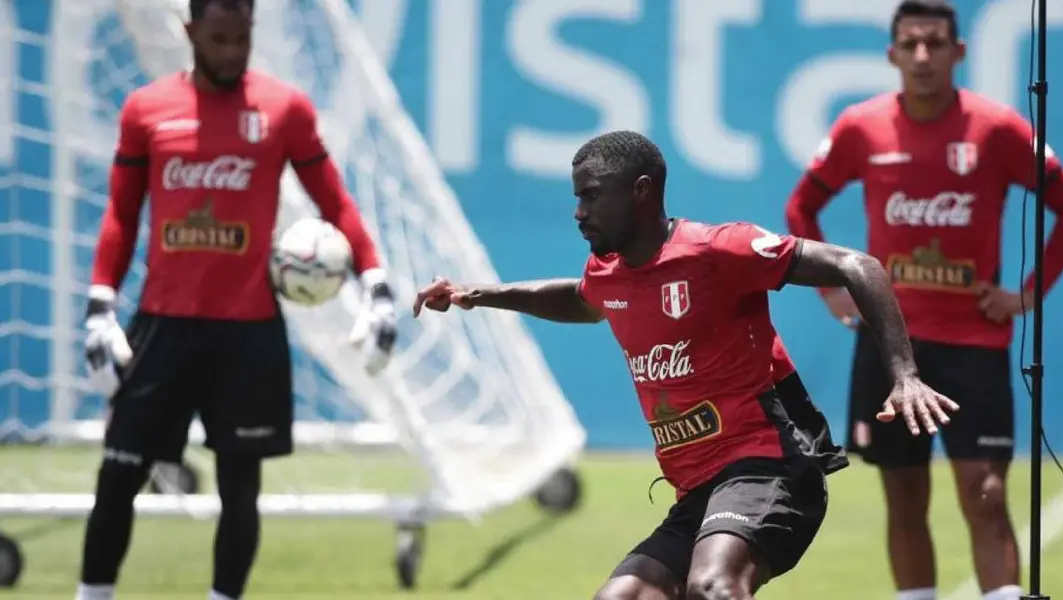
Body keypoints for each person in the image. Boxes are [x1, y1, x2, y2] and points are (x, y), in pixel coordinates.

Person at [414, 130, 959, 600]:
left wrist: (904, 375)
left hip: (770, 465)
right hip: (699, 489)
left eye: (591, 197)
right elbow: (580, 300)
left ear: (642, 192)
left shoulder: (720, 250)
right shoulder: (609, 273)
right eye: (577, 198)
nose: (578, 212)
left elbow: (855, 265)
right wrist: (479, 295)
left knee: (714, 587)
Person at [76, 1, 399, 599]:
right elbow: (121, 213)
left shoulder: (284, 110)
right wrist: (100, 304)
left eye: (242, 38)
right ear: (189, 31)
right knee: (118, 475)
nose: (231, 52)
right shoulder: (146, 110)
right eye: (219, 39)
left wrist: (375, 286)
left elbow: (336, 204)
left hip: (247, 335)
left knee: (240, 488)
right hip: (162, 329)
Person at [783, 2, 1063, 599]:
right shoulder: (860, 127)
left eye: (934, 43)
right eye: (911, 44)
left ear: (960, 53)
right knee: (904, 497)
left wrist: (1028, 295)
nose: (922, 56)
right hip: (889, 343)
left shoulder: (999, 129)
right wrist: (829, 286)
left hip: (975, 344)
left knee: (988, 492)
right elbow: (801, 207)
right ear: (892, 54)